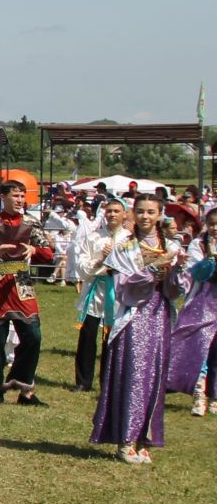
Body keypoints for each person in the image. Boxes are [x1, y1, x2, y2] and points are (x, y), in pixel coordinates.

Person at [89, 191, 181, 463]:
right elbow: (122, 287)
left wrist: (174, 271)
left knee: (154, 374)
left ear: (159, 214)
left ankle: (144, 438)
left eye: (151, 212)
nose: (145, 216)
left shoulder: (169, 246)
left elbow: (175, 290)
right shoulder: (124, 247)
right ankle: (125, 439)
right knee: (133, 372)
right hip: (133, 315)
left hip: (159, 313)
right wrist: (151, 270)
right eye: (140, 211)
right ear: (133, 213)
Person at [0, 180, 55, 405]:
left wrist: (35, 250)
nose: (20, 200)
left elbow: (48, 253)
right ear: (2, 197)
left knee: (33, 336)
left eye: (23, 196)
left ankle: (23, 386)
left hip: (22, 283)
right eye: (16, 196)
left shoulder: (31, 222)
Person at [166, 207, 217, 416]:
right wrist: (211, 256)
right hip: (202, 302)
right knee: (201, 348)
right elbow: (198, 273)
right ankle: (199, 393)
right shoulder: (199, 244)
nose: (215, 228)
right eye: (212, 223)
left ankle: (214, 397)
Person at [73, 198, 128, 391]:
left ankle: (108, 380)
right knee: (88, 336)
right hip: (95, 291)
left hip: (118, 294)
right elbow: (81, 264)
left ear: (124, 214)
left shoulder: (129, 239)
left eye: (116, 211)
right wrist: (101, 260)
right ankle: (83, 380)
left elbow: (132, 268)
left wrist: (114, 259)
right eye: (109, 210)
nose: (112, 214)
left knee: (112, 337)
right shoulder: (94, 237)